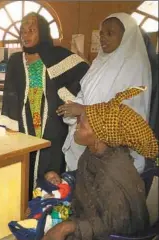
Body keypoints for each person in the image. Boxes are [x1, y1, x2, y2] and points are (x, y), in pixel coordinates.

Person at [5, 86, 158, 240]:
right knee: (35, 212)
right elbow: (86, 178)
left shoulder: (113, 176)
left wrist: (69, 227)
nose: (76, 127)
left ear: (99, 136)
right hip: (84, 217)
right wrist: (63, 179)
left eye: (82, 125)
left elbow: (119, 225)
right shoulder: (96, 153)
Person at [0, 12, 89, 199]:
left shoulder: (56, 56)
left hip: (52, 123)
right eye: (22, 31)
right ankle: (27, 202)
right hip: (25, 121)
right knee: (26, 160)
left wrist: (67, 98)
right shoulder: (16, 60)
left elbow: (84, 72)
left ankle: (48, 206)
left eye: (31, 30)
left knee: (51, 163)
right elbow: (10, 93)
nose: (26, 35)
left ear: (43, 32)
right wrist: (9, 125)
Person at [58, 13, 153, 173]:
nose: (103, 38)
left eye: (110, 33)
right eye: (101, 33)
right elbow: (85, 94)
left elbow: (128, 115)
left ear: (126, 36)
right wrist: (72, 107)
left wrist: (84, 110)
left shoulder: (135, 66)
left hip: (112, 157)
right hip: (87, 140)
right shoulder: (99, 62)